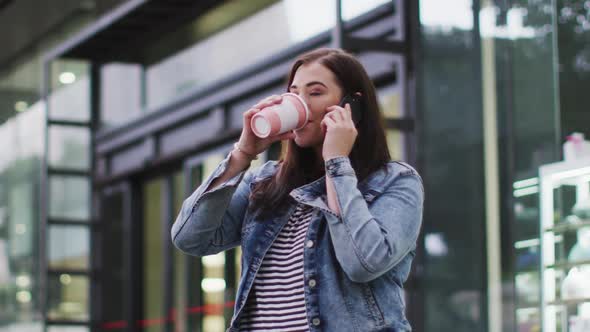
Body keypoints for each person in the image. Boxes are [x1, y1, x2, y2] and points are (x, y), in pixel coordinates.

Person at [171, 48, 424, 332]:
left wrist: (336, 162)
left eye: (315, 93)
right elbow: (189, 238)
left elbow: (362, 263)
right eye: (294, 92)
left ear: (352, 105)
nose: (300, 103)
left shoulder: (395, 181)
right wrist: (242, 154)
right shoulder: (266, 183)